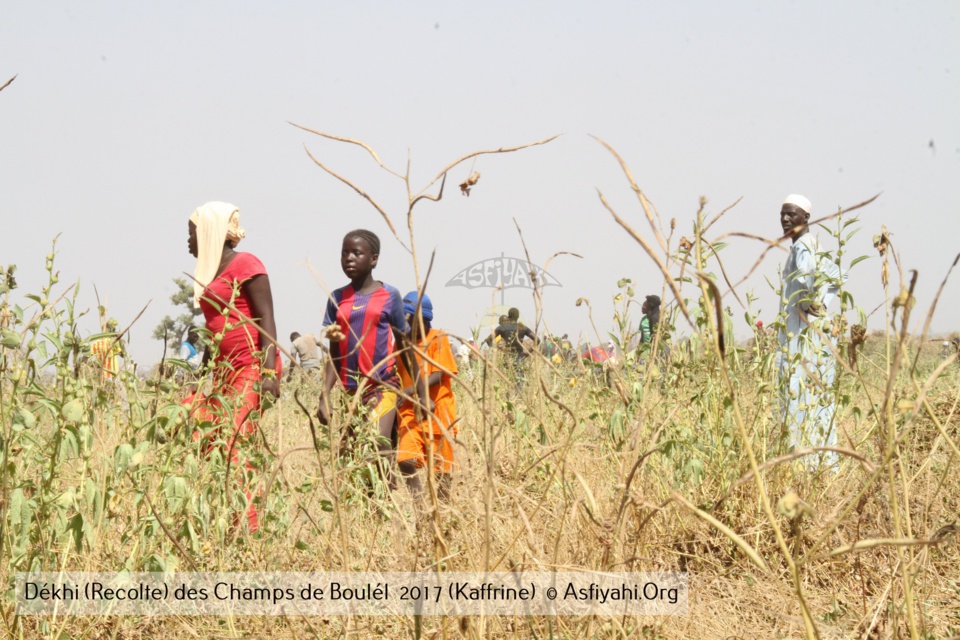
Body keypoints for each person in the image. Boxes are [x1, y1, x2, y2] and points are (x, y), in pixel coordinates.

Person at [183, 201, 280, 533]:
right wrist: (202, 374)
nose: (188, 242)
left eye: (192, 234)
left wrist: (268, 375)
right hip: (225, 372)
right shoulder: (213, 273)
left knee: (233, 447)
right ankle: (226, 519)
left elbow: (266, 318)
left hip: (252, 366)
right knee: (196, 427)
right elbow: (216, 329)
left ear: (209, 232)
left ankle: (247, 533)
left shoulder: (246, 264)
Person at [317, 229, 422, 474]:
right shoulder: (336, 298)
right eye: (344, 253)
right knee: (353, 461)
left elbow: (404, 344)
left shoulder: (389, 296)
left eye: (356, 253)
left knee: (375, 448)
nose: (349, 259)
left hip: (382, 386)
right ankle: (371, 509)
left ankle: (384, 504)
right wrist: (325, 395)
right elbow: (334, 355)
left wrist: (420, 388)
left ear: (373, 259)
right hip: (350, 392)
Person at [776, 194, 845, 466]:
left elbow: (805, 280)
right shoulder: (812, 244)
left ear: (805, 218)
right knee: (816, 395)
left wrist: (805, 302)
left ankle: (803, 464)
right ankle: (823, 464)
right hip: (812, 335)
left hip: (800, 336)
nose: (784, 219)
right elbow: (837, 276)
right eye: (782, 214)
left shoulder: (803, 247)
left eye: (791, 214)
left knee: (797, 393)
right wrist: (818, 303)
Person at [396, 292, 458, 500]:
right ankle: (420, 505)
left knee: (442, 471)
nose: (403, 323)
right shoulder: (400, 344)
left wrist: (409, 391)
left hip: (439, 411)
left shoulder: (438, 338)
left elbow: (439, 373)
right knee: (405, 460)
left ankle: (442, 514)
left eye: (407, 318)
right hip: (410, 412)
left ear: (422, 319)